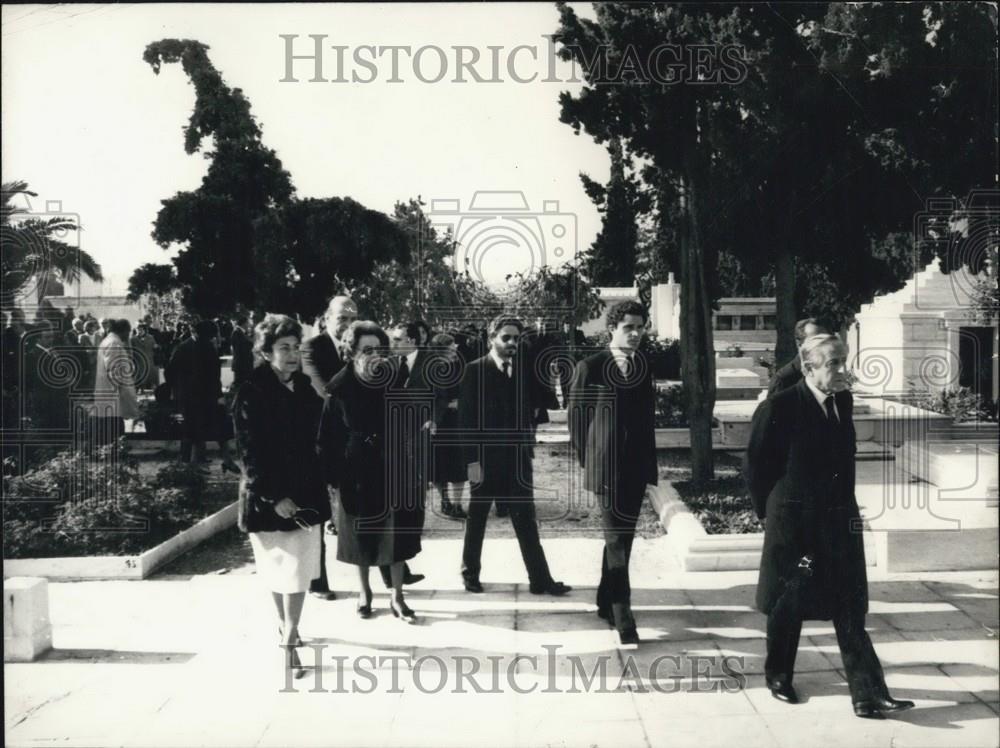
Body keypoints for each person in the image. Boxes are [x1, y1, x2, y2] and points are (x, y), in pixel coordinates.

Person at [745, 334, 915, 719]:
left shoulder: (843, 400)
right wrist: (770, 515)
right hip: (796, 527)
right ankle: (778, 677)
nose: (843, 370)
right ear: (808, 368)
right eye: (833, 363)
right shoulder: (780, 407)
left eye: (843, 360)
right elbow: (756, 466)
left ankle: (868, 693)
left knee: (850, 604)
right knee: (789, 601)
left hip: (838, 523)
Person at [233, 314, 331, 679]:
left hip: (306, 495)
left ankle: (289, 638)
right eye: (283, 348)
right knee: (278, 571)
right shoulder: (250, 391)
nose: (292, 354)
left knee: (300, 572)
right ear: (266, 352)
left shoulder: (305, 388)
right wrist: (274, 496)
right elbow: (248, 452)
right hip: (267, 498)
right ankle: (286, 627)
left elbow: (317, 442)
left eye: (295, 347)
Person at [457, 314, 571, 597]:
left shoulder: (523, 370)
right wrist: (472, 463)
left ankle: (540, 579)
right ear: (491, 338)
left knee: (526, 520)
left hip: (517, 460)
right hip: (483, 461)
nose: (511, 343)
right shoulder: (474, 370)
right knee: (477, 518)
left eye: (516, 338)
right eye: (505, 337)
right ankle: (469, 573)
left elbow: (539, 404)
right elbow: (466, 422)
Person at [318, 320, 422, 623]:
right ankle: (364, 594)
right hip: (355, 469)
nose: (374, 354)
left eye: (378, 348)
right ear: (353, 352)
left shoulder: (393, 380)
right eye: (367, 349)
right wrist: (333, 479)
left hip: (392, 464)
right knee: (360, 534)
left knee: (397, 534)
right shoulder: (338, 388)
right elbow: (327, 438)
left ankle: (398, 597)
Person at [568, 301, 658, 646]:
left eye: (640, 327)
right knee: (616, 541)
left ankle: (605, 601)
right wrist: (590, 461)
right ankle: (624, 618)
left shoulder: (643, 365)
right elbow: (576, 421)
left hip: (635, 468)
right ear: (612, 329)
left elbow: (646, 418)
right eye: (628, 328)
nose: (635, 334)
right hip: (605, 469)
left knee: (625, 539)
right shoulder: (590, 366)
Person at [299, 295, 359, 600]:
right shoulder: (313, 347)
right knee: (318, 514)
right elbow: (324, 390)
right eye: (342, 319)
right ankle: (316, 579)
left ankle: (381, 575)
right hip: (317, 442)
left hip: (347, 442)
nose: (347, 325)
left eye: (352, 319)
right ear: (326, 319)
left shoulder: (356, 348)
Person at [166, 319, 238, 472]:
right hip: (203, 396)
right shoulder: (207, 347)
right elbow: (213, 375)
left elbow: (170, 371)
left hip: (191, 396)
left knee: (199, 429)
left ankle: (202, 461)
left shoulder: (183, 347)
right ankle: (207, 461)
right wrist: (219, 395)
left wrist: (178, 389)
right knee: (211, 428)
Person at [427, 333, 467, 520]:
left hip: (456, 422)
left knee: (458, 464)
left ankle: (457, 505)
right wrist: (446, 406)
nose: (455, 351)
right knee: (440, 464)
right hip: (438, 422)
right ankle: (445, 501)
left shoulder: (457, 367)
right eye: (451, 349)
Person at [90, 318, 139, 446]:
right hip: (112, 394)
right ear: (124, 331)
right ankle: (113, 454)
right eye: (128, 333)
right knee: (112, 429)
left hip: (108, 392)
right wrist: (124, 394)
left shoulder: (108, 341)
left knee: (108, 427)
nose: (128, 337)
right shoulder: (114, 343)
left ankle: (109, 452)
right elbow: (115, 371)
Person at [768, 318, 830, 396]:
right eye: (815, 340)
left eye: (826, 340)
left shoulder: (831, 376)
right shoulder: (783, 381)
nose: (822, 345)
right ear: (799, 343)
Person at [131, 323, 159, 392]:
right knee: (140, 375)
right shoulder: (133, 339)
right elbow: (131, 350)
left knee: (151, 375)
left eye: (141, 329)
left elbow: (155, 346)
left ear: (144, 330)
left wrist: (156, 347)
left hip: (149, 360)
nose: (139, 331)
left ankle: (153, 388)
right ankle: (140, 389)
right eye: (138, 329)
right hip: (139, 361)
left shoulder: (151, 337)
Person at [230, 313, 255, 387]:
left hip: (244, 365)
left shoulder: (241, 333)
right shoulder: (237, 333)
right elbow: (240, 350)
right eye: (248, 323)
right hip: (241, 365)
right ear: (244, 323)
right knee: (240, 386)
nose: (249, 325)